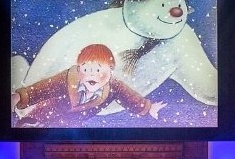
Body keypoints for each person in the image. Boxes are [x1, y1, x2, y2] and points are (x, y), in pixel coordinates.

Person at [11, 43, 167, 127]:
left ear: (110, 71)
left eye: (99, 70)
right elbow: (44, 88)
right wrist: (19, 96)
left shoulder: (113, 87)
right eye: (87, 69)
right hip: (42, 114)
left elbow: (128, 96)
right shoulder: (67, 78)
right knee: (28, 126)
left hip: (69, 125)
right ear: (79, 69)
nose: (92, 75)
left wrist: (147, 107)